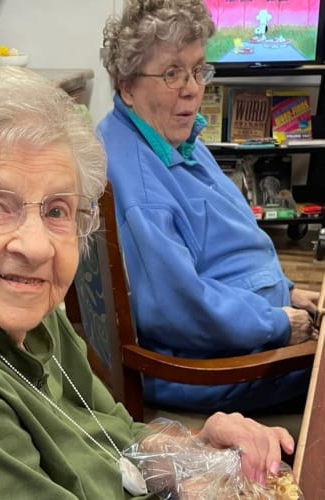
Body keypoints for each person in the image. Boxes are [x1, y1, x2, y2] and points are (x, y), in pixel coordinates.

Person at [0, 66, 295, 499]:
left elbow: (111, 437)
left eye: (56, 211)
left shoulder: (25, 312)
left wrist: (194, 454)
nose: (37, 248)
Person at [97, 0, 319, 415]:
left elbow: (227, 246)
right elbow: (180, 308)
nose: (193, 87)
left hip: (247, 328)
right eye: (171, 73)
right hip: (214, 365)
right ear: (127, 86)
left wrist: (287, 291)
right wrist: (278, 323)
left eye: (199, 70)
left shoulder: (173, 137)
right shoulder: (141, 188)